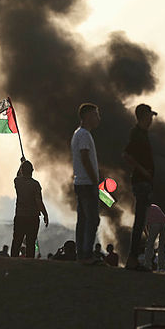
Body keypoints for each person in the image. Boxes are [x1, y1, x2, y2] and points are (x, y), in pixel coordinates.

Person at [123, 104, 156, 269]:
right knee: (140, 221)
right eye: (150, 116)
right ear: (144, 116)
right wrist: (143, 171)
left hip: (144, 181)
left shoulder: (143, 134)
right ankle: (132, 258)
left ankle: (135, 258)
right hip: (141, 182)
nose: (151, 119)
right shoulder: (137, 134)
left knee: (142, 221)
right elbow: (127, 155)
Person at [71, 103, 101, 262]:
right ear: (87, 116)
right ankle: (87, 254)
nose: (98, 118)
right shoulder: (83, 135)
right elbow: (84, 157)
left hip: (81, 183)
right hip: (87, 184)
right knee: (92, 219)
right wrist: (94, 180)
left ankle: (81, 254)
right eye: (96, 114)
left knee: (83, 220)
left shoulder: (79, 133)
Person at [10, 160, 49, 259]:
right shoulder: (35, 184)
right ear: (32, 170)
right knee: (31, 242)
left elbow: (18, 175)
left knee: (17, 241)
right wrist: (45, 214)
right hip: (32, 217)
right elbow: (38, 201)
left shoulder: (17, 182)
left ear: (22, 170)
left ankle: (13, 260)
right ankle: (30, 261)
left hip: (20, 216)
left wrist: (21, 164)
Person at [144, 204, 165, 271]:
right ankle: (161, 267)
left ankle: (147, 265)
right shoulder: (155, 206)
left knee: (149, 245)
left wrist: (147, 236)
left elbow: (144, 225)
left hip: (155, 224)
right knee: (162, 246)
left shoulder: (144, 210)